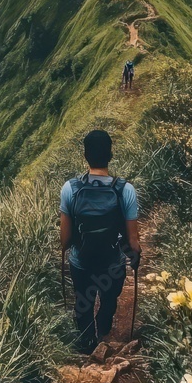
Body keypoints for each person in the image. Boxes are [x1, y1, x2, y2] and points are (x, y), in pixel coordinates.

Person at [60, 129, 141, 353]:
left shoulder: (70, 189)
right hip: (112, 264)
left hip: (81, 261)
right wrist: (135, 256)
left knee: (82, 301)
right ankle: (104, 326)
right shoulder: (125, 190)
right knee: (108, 299)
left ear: (85, 155)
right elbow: (133, 239)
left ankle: (87, 344)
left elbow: (65, 240)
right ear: (110, 155)